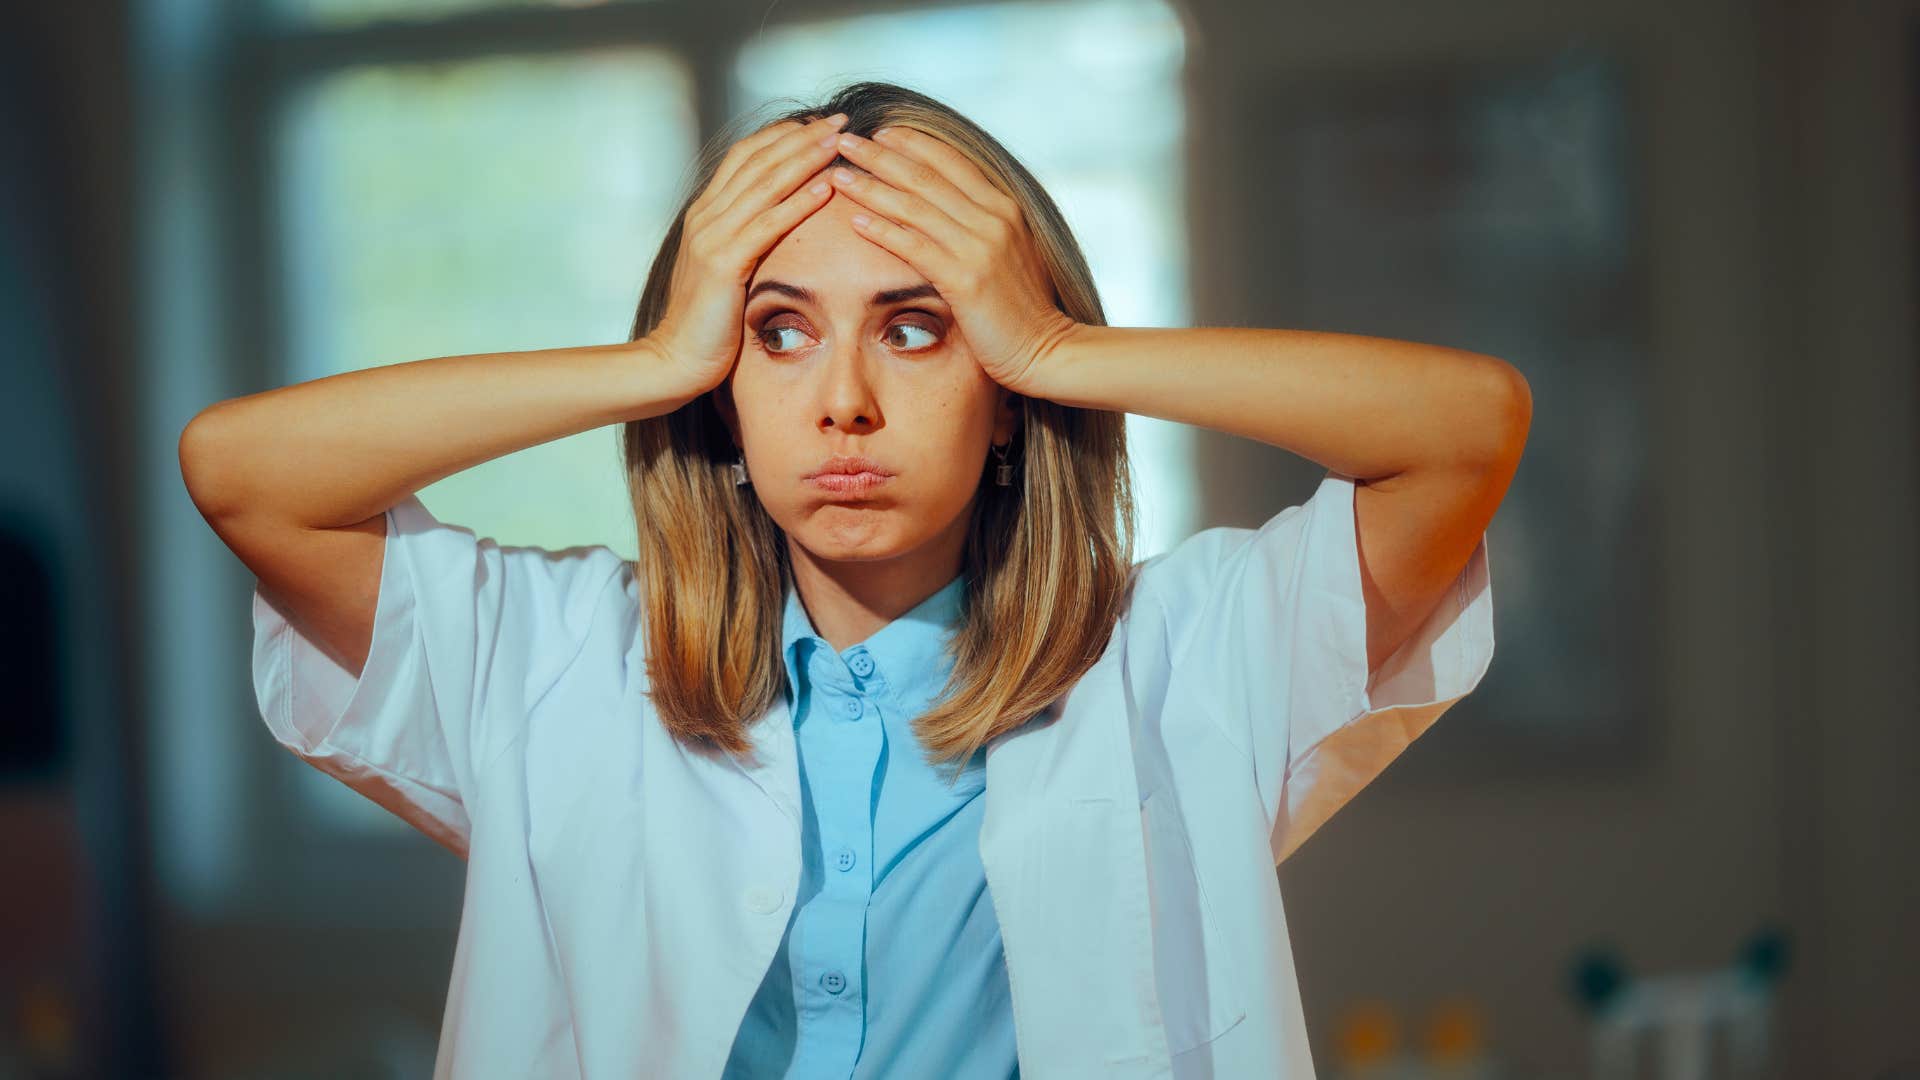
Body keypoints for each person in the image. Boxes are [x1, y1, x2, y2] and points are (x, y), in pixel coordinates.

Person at [179, 80, 1525, 1080]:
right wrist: (653, 364)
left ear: (1005, 394)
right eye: (778, 332)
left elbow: (1467, 432)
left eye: (916, 327)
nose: (844, 402)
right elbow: (241, 472)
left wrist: (1054, 349)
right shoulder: (555, 660)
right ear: (722, 386)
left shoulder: (1186, 657)